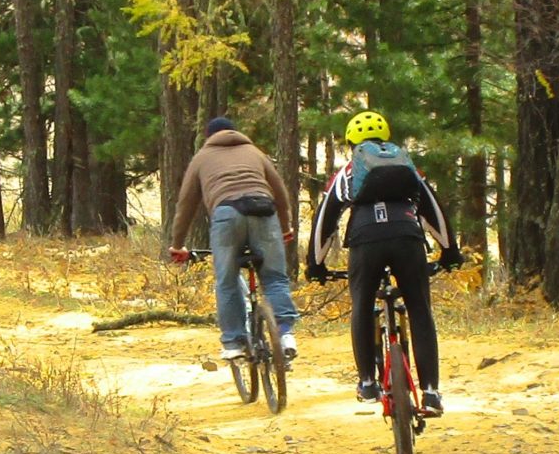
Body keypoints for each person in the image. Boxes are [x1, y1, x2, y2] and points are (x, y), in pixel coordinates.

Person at [305, 109, 459, 415]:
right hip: (407, 237)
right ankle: (430, 392)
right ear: (385, 138)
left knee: (362, 305)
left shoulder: (348, 172)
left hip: (365, 241)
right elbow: (433, 210)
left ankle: (367, 383)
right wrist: (449, 250)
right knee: (419, 309)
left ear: (351, 143)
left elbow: (326, 220)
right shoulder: (407, 167)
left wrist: (316, 264)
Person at [167, 116, 300, 364]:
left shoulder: (202, 158)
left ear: (209, 137)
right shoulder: (254, 151)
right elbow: (280, 192)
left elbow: (186, 204)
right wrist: (285, 226)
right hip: (264, 211)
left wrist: (178, 243)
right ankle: (285, 335)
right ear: (235, 132)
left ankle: (233, 342)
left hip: (227, 214)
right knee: (274, 278)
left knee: (227, 280)